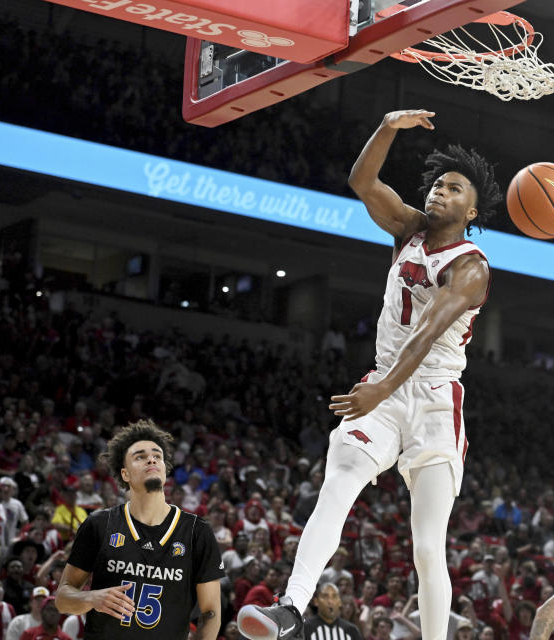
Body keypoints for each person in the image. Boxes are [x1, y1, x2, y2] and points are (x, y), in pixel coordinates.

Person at [239, 108, 501, 640]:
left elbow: (426, 332)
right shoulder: (408, 229)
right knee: (337, 484)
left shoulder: (471, 267)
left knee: (427, 546)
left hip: (433, 401)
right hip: (384, 387)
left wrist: (384, 386)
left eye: (453, 189)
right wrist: (386, 126)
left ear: (472, 210)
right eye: (437, 184)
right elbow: (362, 181)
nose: (438, 193)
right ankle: (291, 606)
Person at [56, 420, 224, 640]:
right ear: (125, 474)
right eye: (140, 456)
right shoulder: (100, 524)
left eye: (157, 455)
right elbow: (62, 598)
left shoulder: (196, 531)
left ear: (165, 469)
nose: (152, 459)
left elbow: (210, 613)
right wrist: (92, 599)